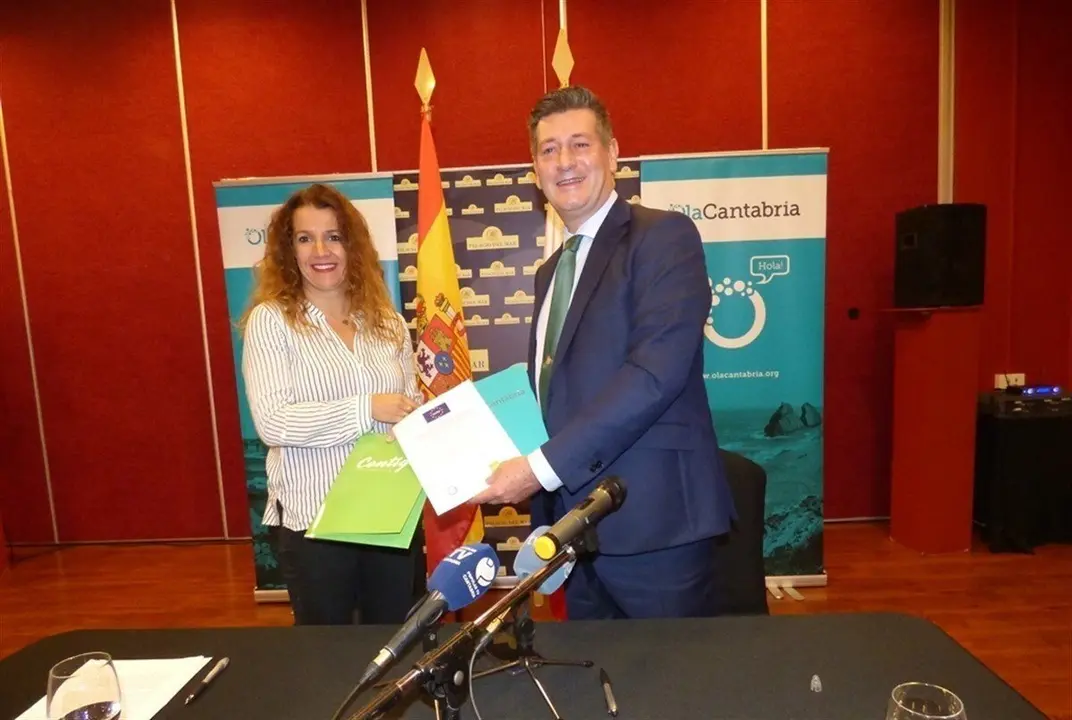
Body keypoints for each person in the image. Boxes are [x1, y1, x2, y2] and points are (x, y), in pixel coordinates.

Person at [470, 86, 737, 620]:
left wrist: (539, 468)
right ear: (535, 170)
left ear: (612, 154)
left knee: (668, 674)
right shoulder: (550, 273)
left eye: (580, 144)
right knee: (593, 669)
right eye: (549, 150)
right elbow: (557, 392)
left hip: (654, 527)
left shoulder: (663, 236)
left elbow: (653, 375)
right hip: (574, 530)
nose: (564, 162)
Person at [240, 183, 424, 626]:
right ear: (289, 250)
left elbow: (410, 405)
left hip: (388, 515)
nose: (321, 251)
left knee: (396, 641)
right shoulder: (271, 322)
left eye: (334, 237)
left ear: (353, 246)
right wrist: (366, 408)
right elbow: (273, 422)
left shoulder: (389, 323)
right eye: (306, 238)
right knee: (328, 650)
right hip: (315, 521)